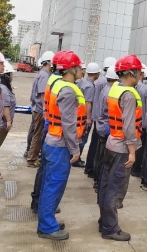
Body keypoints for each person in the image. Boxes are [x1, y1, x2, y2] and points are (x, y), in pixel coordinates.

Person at [38, 51, 85, 241]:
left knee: (50, 184)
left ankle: (48, 220)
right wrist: (75, 149)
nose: (81, 69)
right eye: (78, 67)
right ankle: (47, 226)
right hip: (60, 145)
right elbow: (68, 124)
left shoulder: (59, 85)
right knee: (53, 186)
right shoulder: (67, 90)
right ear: (71, 69)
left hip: (54, 141)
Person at [98, 55, 143, 241]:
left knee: (105, 184)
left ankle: (104, 221)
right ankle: (110, 227)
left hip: (111, 142)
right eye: (138, 72)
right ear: (131, 73)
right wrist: (132, 152)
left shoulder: (115, 89)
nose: (140, 75)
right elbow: (129, 127)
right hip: (122, 147)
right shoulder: (129, 95)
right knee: (115, 188)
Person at [30, 51, 63, 214]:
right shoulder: (53, 79)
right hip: (51, 127)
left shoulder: (51, 78)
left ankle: (38, 202)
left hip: (48, 123)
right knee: (47, 170)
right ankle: (40, 204)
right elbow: (45, 99)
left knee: (45, 168)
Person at [85, 57, 116, 178]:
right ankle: (92, 169)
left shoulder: (102, 80)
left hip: (98, 116)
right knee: (97, 147)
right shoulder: (105, 82)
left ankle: (90, 168)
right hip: (101, 118)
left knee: (96, 145)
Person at [26, 51, 54, 167]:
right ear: (48, 62)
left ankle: (31, 156)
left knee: (36, 133)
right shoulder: (44, 76)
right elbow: (43, 95)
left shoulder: (42, 73)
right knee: (37, 135)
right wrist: (45, 110)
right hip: (39, 110)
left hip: (37, 108)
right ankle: (32, 159)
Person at [93, 65, 118, 191]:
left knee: (100, 155)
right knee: (104, 158)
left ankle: (97, 179)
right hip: (106, 127)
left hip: (101, 125)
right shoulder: (111, 92)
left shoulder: (105, 89)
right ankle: (99, 182)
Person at [73, 62, 99, 168]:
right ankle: (76, 159)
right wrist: (88, 118)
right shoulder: (89, 86)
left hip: (80, 114)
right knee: (82, 138)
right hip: (84, 116)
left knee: (79, 137)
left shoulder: (84, 83)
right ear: (96, 73)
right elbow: (88, 103)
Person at [131, 65, 147, 178]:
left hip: (137, 119)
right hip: (144, 121)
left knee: (137, 145)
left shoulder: (137, 87)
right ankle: (137, 168)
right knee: (142, 147)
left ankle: (135, 166)